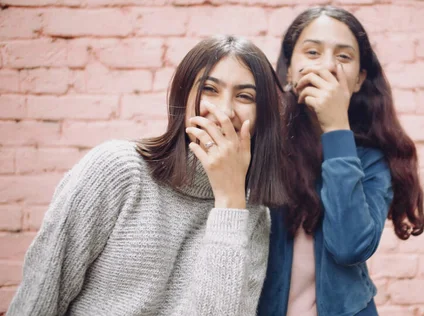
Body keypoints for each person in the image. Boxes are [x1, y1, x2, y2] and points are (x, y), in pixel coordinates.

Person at [8, 35, 286, 316]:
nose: (224, 111)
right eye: (209, 89)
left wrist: (229, 201)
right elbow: (40, 295)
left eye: (244, 96)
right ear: (183, 97)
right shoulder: (117, 170)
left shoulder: (249, 214)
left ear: (262, 115)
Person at [258, 6, 424, 316]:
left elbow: (350, 246)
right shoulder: (263, 147)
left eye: (344, 57)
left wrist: (336, 126)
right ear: (288, 68)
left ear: (360, 79)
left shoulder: (373, 160)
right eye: (312, 52)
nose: (327, 66)